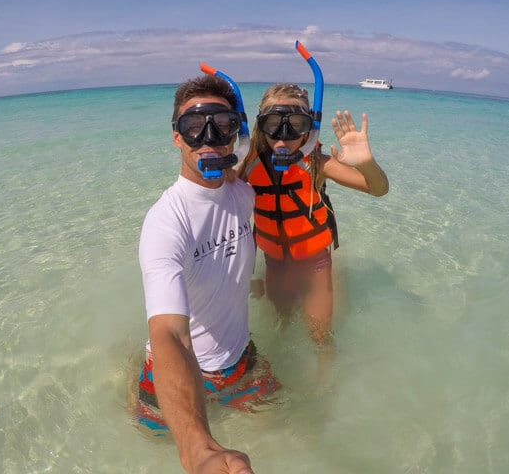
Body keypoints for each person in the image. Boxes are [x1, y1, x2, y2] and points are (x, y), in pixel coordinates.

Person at [136, 74, 279, 474]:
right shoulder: (166, 223)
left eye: (222, 125)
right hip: (178, 371)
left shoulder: (243, 192)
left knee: (289, 426)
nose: (210, 139)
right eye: (194, 128)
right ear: (177, 137)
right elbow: (169, 333)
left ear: (236, 132)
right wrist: (197, 451)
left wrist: (252, 282)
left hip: (241, 360)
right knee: (148, 443)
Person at [238, 45, 389, 349]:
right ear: (260, 125)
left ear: (310, 128)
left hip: (316, 264)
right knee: (279, 326)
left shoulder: (317, 162)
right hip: (274, 263)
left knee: (321, 339)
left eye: (295, 125)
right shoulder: (249, 163)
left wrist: (366, 163)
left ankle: (325, 391)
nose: (283, 136)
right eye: (273, 124)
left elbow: (378, 189)